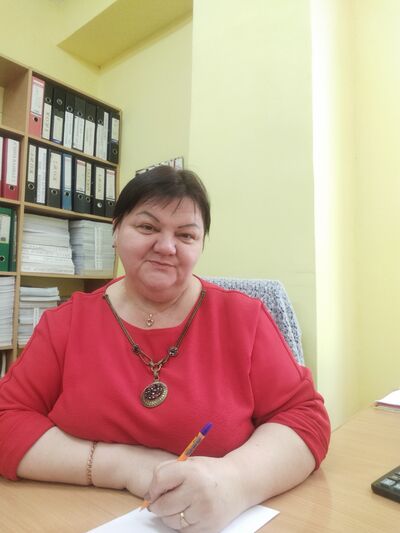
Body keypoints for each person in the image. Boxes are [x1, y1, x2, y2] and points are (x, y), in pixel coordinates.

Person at [0, 165, 330, 532]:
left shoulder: (244, 318)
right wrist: (124, 466)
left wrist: (235, 481)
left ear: (200, 244)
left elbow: (304, 418)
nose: (166, 247)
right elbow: (6, 419)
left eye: (186, 235)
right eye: (147, 227)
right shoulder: (65, 323)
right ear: (116, 230)